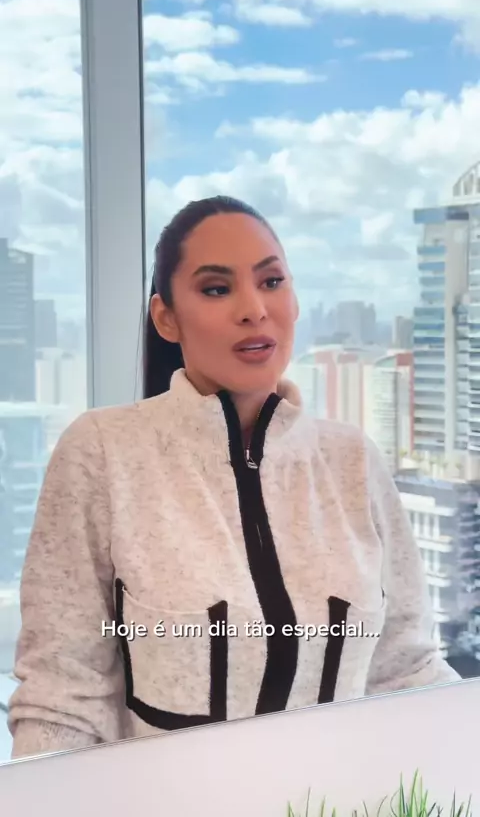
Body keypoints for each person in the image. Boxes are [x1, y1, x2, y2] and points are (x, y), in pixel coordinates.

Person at [8, 195, 460, 760]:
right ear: (166, 317)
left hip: (340, 795)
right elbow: (62, 697)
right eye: (217, 289)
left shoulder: (352, 460)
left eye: (271, 282)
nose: (254, 309)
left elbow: (408, 670)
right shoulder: (102, 452)